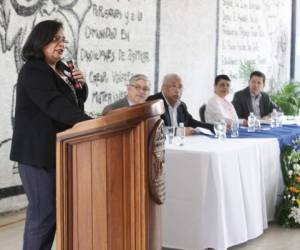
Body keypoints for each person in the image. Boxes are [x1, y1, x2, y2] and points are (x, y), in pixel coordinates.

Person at [10, 20, 91, 250]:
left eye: (63, 39)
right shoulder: (34, 70)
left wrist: (81, 86)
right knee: (43, 213)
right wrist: (91, 123)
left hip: (57, 152)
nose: (61, 44)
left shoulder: (63, 68)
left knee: (53, 214)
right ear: (40, 40)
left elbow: (73, 102)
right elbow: (54, 104)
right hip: (36, 155)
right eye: (56, 39)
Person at [147, 73, 214, 134]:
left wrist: (214, 127)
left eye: (180, 87)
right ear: (163, 88)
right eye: (174, 86)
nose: (177, 90)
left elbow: (192, 122)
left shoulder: (181, 105)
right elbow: (153, 130)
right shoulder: (154, 102)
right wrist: (179, 131)